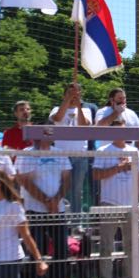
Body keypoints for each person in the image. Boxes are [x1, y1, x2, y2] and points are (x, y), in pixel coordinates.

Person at [92, 120, 139, 278]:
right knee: (107, 245)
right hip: (110, 203)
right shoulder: (103, 151)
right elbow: (96, 175)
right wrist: (119, 167)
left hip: (131, 204)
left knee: (131, 245)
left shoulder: (134, 150)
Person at [15, 137, 72, 278]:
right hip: (34, 209)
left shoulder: (60, 153)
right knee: (36, 249)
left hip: (57, 210)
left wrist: (56, 199)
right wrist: (46, 201)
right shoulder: (26, 154)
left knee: (61, 249)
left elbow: (67, 178)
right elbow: (24, 181)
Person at [50, 83, 94, 217]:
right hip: (61, 156)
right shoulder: (57, 109)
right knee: (62, 188)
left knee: (77, 189)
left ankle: (76, 220)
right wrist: (67, 100)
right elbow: (57, 119)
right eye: (70, 93)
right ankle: (62, 218)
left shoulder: (85, 110)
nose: (74, 96)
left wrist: (78, 105)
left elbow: (84, 124)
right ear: (64, 95)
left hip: (80, 156)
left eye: (77, 93)